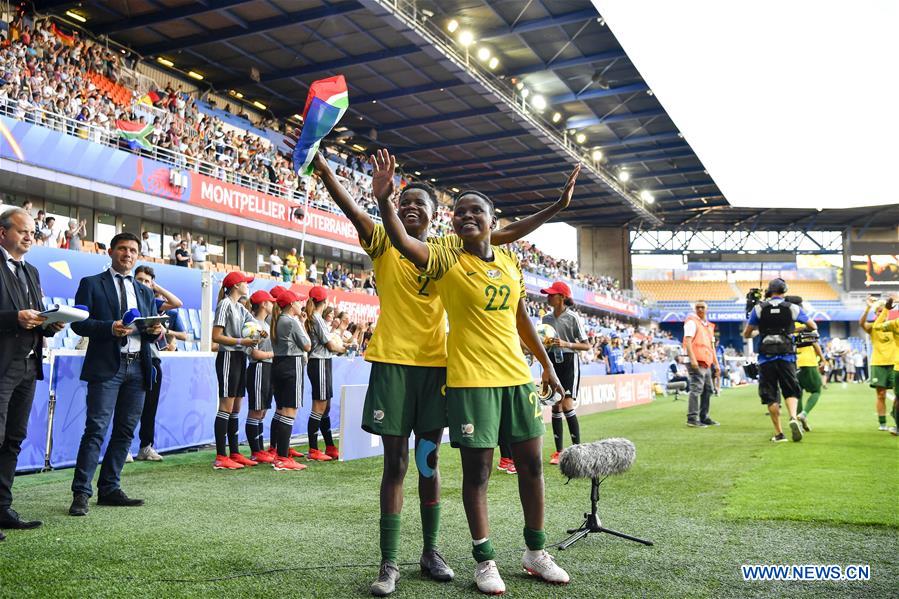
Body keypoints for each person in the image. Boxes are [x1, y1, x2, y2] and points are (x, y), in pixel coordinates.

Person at [314, 150, 573, 596]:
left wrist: (554, 208)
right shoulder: (385, 241)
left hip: (437, 370)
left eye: (422, 204)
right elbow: (357, 213)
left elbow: (503, 233)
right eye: (405, 201)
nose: (411, 207)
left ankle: (431, 550)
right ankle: (389, 562)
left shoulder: (449, 249)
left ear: (437, 218)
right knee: (395, 464)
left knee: (428, 463)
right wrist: (363, 189)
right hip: (394, 368)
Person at [69, 232, 165, 516]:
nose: (128, 254)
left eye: (133, 250)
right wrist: (108, 328)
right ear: (110, 252)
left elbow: (149, 332)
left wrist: (155, 331)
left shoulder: (146, 291)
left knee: (125, 431)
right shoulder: (91, 284)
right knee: (96, 430)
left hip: (139, 366)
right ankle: (81, 493)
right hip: (106, 366)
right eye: (122, 249)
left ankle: (109, 488)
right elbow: (79, 325)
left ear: (138, 255)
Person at [0, 208, 65, 538]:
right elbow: (16, 317)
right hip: (2, 365)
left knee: (13, 438)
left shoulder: (33, 271)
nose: (30, 236)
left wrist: (50, 324)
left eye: (32, 232)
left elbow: (34, 318)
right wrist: (15, 318)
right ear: (2, 234)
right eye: (22, 231)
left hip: (28, 365)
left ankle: (2, 507)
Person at [742, 279, 817, 443]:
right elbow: (812, 326)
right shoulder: (793, 308)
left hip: (765, 358)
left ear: (769, 291)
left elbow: (747, 334)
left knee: (771, 396)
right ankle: (792, 417)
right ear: (785, 291)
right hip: (787, 356)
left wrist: (760, 332)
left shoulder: (758, 309)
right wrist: (794, 329)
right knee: (790, 390)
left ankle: (779, 433)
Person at [132, 266, 183, 462]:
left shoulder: (153, 301)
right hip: (129, 357)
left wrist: (156, 287)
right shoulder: (127, 298)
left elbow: (177, 303)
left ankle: (146, 447)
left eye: (147, 281)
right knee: (126, 407)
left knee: (150, 406)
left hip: (151, 358)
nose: (143, 284)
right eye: (140, 280)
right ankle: (124, 447)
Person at [211, 271, 260, 470]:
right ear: (236, 285)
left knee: (236, 407)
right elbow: (216, 336)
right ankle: (221, 455)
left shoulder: (240, 307)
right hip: (228, 356)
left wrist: (260, 333)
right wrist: (242, 341)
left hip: (239, 357)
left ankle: (234, 452)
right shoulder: (224, 304)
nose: (248, 285)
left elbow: (256, 326)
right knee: (226, 405)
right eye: (245, 283)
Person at [540, 281, 590, 464]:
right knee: (555, 405)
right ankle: (559, 452)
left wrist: (566, 344)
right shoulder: (545, 319)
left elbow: (586, 345)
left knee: (567, 404)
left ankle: (577, 451)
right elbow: (543, 344)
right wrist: (545, 368)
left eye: (551, 294)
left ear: (562, 297)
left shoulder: (573, 318)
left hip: (569, 362)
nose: (548, 297)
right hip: (552, 361)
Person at [269, 290, 312, 470]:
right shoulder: (291, 321)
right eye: (297, 302)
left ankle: (279, 453)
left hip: (278, 363)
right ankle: (282, 457)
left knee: (282, 410)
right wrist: (301, 323)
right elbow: (307, 345)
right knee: (289, 411)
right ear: (291, 305)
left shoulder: (278, 320)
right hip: (291, 364)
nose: (300, 304)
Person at [304, 285, 344, 461]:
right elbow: (329, 344)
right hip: (318, 361)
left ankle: (329, 445)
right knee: (319, 406)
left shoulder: (316, 318)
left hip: (323, 362)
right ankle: (314, 449)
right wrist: (342, 348)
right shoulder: (316, 318)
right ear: (325, 301)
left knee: (325, 406)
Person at [243, 289, 279, 464]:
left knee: (262, 410)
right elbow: (254, 353)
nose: (273, 305)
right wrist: (273, 354)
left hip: (267, 369)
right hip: (258, 368)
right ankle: (255, 450)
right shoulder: (253, 325)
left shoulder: (264, 325)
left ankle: (260, 449)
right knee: (256, 410)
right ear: (264, 304)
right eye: (270, 302)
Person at [859, 296, 895, 431]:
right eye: (878, 311)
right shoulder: (872, 327)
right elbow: (861, 323)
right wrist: (868, 307)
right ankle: (882, 423)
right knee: (881, 395)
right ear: (875, 314)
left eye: (883, 311)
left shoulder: (893, 325)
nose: (881, 313)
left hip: (894, 364)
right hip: (878, 364)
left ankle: (895, 416)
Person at [683, 301, 720, 427]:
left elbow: (711, 346)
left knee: (708, 389)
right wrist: (692, 359)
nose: (700, 309)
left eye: (702, 307)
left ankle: (704, 416)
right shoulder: (692, 322)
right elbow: (687, 341)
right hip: (696, 361)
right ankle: (692, 418)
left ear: (706, 309)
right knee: (696, 388)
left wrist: (716, 364)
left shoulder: (708, 326)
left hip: (706, 361)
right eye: (697, 307)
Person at [871, 296, 899, 435]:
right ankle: (888, 422)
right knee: (884, 395)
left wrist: (886, 310)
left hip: (896, 365)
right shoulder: (894, 324)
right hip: (886, 364)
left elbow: (877, 326)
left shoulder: (895, 324)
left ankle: (897, 421)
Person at [793, 316, 825, 432]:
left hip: (793, 362)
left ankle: (799, 423)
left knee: (798, 393)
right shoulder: (806, 324)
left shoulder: (786, 324)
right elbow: (814, 343)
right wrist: (823, 359)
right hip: (808, 362)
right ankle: (804, 414)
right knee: (816, 390)